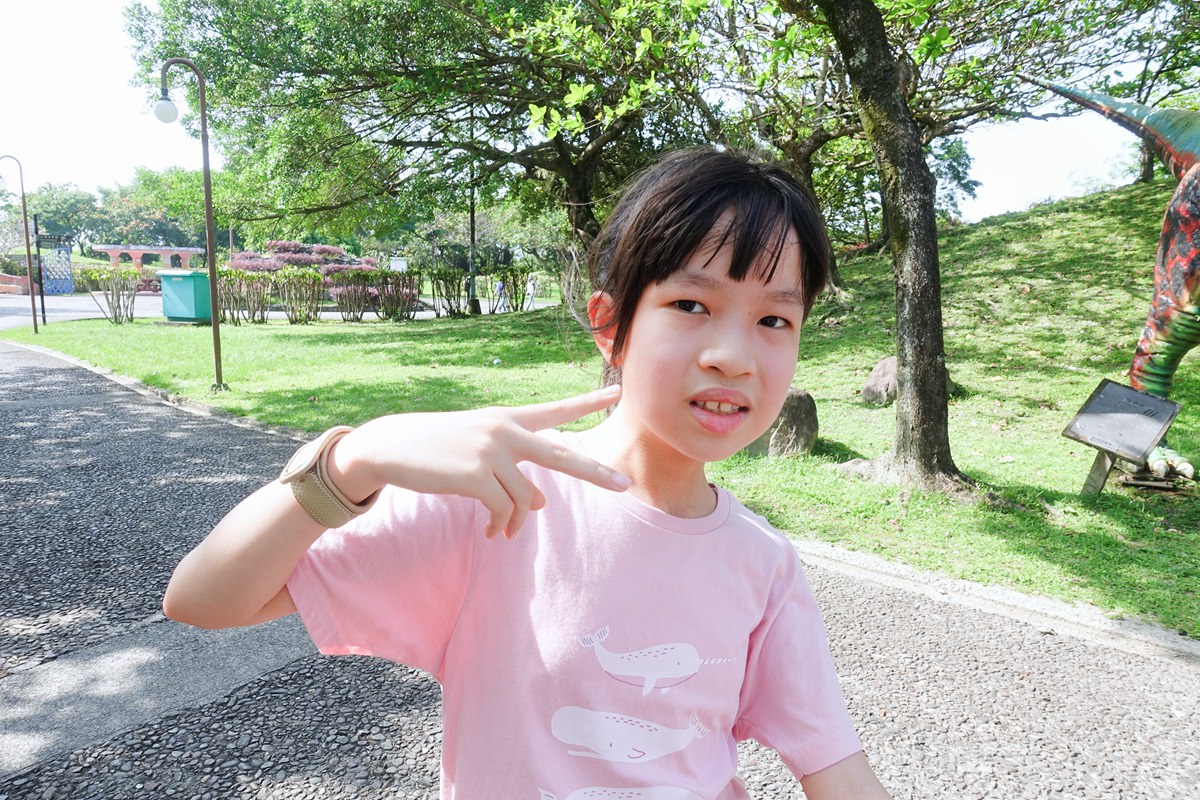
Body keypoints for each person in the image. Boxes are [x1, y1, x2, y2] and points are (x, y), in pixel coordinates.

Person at [163, 148, 891, 800]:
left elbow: (836, 770)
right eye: (691, 304)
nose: (733, 354)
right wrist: (358, 456)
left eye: (775, 320)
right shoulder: (500, 502)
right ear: (611, 325)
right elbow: (205, 597)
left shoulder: (762, 564)